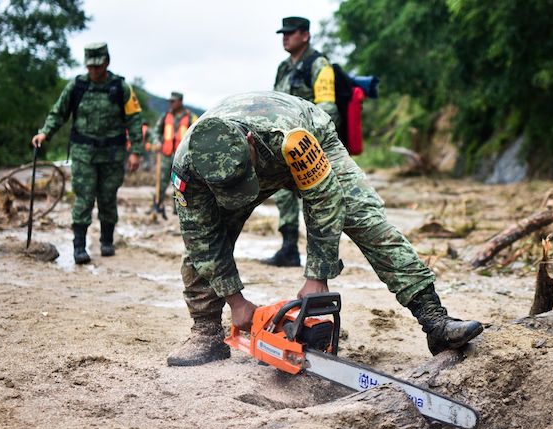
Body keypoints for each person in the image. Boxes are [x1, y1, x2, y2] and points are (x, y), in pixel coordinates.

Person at [166, 91, 483, 366]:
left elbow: (326, 199)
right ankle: (206, 332)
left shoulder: (291, 138)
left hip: (309, 133)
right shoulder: (187, 167)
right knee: (200, 249)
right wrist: (236, 302)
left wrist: (317, 275)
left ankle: (434, 319)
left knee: (365, 219)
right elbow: (201, 240)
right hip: (230, 171)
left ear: (249, 142)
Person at [32, 42, 144, 264]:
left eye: (98, 66)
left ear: (107, 62)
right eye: (90, 66)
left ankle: (106, 241)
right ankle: (79, 246)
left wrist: (136, 152)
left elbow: (134, 120)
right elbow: (58, 112)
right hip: (83, 153)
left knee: (108, 197)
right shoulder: (77, 86)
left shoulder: (121, 88)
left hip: (112, 154)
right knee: (83, 198)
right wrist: (45, 133)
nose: (94, 71)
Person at [263, 16, 339, 268]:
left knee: (317, 199)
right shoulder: (283, 68)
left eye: (290, 33)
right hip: (284, 144)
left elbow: (328, 107)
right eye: (282, 33)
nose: (285, 37)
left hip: (310, 144)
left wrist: (308, 140)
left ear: (304, 35)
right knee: (284, 195)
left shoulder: (319, 65)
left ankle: (323, 259)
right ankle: (288, 248)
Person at [152, 92, 197, 219]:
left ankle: (178, 209)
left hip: (181, 157)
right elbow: (156, 132)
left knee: (180, 184)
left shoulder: (191, 117)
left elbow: (197, 132)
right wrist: (157, 141)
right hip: (166, 155)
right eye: (170, 101)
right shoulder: (165, 116)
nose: (170, 104)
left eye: (173, 101)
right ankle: (157, 206)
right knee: (161, 181)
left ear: (180, 102)